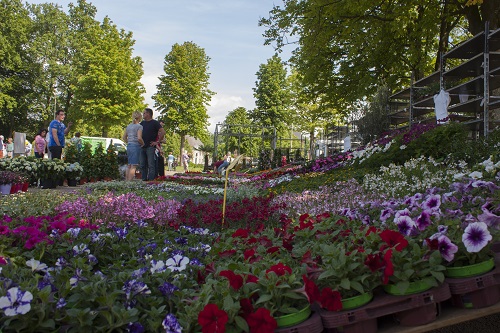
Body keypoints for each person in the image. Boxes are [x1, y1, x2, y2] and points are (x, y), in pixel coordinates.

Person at [139, 108, 165, 181]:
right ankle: (144, 179)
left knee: (151, 164)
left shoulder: (155, 123)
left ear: (148, 114)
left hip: (150, 146)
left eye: (144, 113)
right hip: (142, 146)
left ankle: (151, 180)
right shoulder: (142, 123)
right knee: (142, 164)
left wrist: (157, 142)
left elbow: (163, 132)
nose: (143, 115)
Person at [122, 111, 144, 181]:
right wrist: (143, 143)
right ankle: (130, 182)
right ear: (140, 117)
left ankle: (126, 180)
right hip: (136, 146)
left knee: (129, 165)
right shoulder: (139, 126)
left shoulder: (128, 126)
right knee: (134, 165)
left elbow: (124, 137)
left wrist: (128, 142)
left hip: (129, 146)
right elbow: (139, 138)